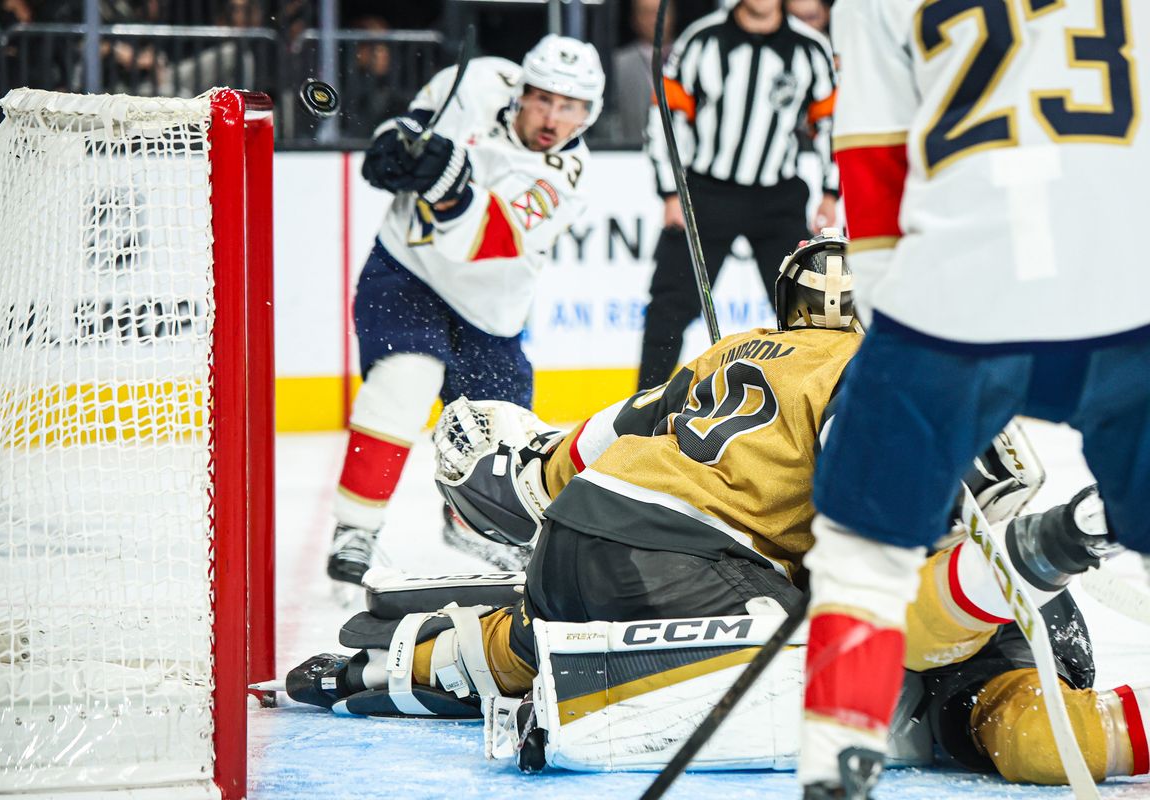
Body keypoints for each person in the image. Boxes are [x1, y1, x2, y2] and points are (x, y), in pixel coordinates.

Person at [286, 234, 1149, 787]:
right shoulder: (883, 371)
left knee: (631, 615)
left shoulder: (733, 350)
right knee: (839, 654)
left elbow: (580, 452)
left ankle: (415, 662)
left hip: (581, 531)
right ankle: (467, 666)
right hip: (683, 563)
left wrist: (509, 471)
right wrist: (1048, 547)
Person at [796, 2, 1150, 797]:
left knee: (862, 548)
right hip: (1126, 292)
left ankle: (836, 762)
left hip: (955, 301)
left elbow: (874, 165)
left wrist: (894, 345)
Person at [327, 34, 605, 586]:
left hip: (491, 313)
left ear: (589, 114)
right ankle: (355, 528)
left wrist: (445, 177)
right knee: (405, 380)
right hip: (407, 270)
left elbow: (484, 237)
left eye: (570, 107)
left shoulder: (565, 179)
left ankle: (470, 526)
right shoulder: (478, 80)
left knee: (496, 442)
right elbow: (411, 123)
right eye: (544, 98)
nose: (553, 117)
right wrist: (393, 148)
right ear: (520, 88)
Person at [639, 0, 839, 390]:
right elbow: (665, 116)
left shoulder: (810, 48)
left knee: (807, 313)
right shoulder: (701, 40)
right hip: (705, 195)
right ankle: (640, 412)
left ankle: (817, 412)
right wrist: (669, 191)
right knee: (669, 306)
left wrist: (831, 192)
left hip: (778, 198)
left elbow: (833, 124)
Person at [611, 0, 673, 144]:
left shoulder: (691, 58)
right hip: (634, 156)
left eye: (661, 12)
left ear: (673, 15)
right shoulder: (618, 64)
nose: (655, 19)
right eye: (646, 13)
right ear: (634, 19)